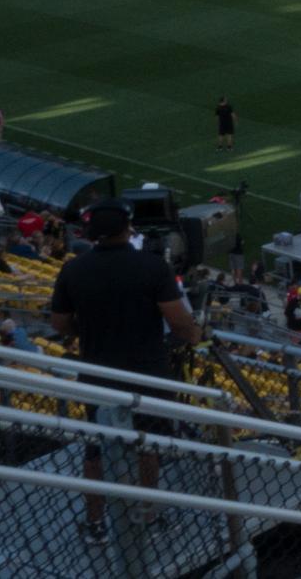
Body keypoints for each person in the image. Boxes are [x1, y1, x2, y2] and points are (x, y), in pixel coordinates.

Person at [48, 199, 204, 546]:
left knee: (96, 449)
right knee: (149, 444)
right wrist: (196, 335)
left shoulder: (74, 270)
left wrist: (89, 330)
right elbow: (179, 323)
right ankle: (146, 511)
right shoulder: (151, 267)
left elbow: (60, 323)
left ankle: (95, 523)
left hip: (96, 372)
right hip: (147, 372)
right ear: (126, 229)